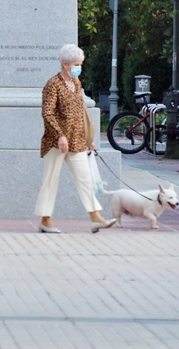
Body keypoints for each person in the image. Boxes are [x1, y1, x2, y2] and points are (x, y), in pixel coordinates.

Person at [35, 44, 116, 234]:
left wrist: (88, 138)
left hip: (77, 140)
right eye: (77, 64)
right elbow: (47, 113)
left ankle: (95, 217)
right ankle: (45, 220)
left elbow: (81, 112)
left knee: (85, 178)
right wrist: (60, 135)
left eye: (80, 64)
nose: (79, 67)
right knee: (50, 180)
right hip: (56, 142)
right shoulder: (52, 84)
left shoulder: (76, 83)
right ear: (65, 64)